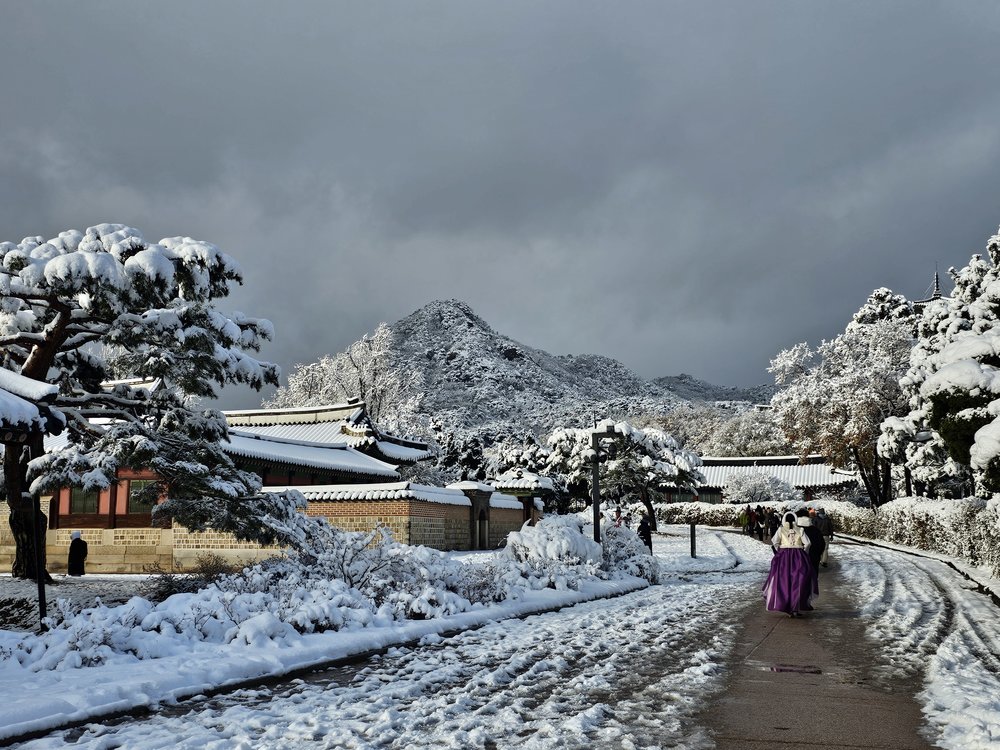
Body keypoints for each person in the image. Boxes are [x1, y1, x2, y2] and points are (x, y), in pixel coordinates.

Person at [762, 512, 813, 617]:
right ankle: (795, 607)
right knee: (798, 581)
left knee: (784, 582)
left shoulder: (781, 530)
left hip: (784, 557)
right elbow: (808, 543)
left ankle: (786, 606)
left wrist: (779, 551)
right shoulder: (801, 530)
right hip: (798, 557)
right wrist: (804, 552)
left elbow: (775, 542)